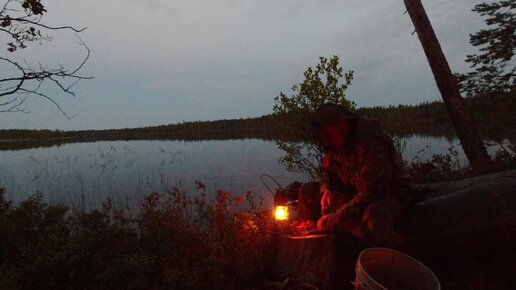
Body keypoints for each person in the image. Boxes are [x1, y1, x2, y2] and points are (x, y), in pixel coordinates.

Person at [297, 104, 410, 244]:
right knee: (307, 191)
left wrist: (340, 214)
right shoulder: (335, 143)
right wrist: (327, 189)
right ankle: (313, 241)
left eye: (329, 134)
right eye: (324, 136)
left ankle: (385, 257)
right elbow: (327, 172)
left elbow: (375, 189)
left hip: (388, 195)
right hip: (354, 194)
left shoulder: (371, 140)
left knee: (375, 214)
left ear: (343, 124)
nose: (327, 140)